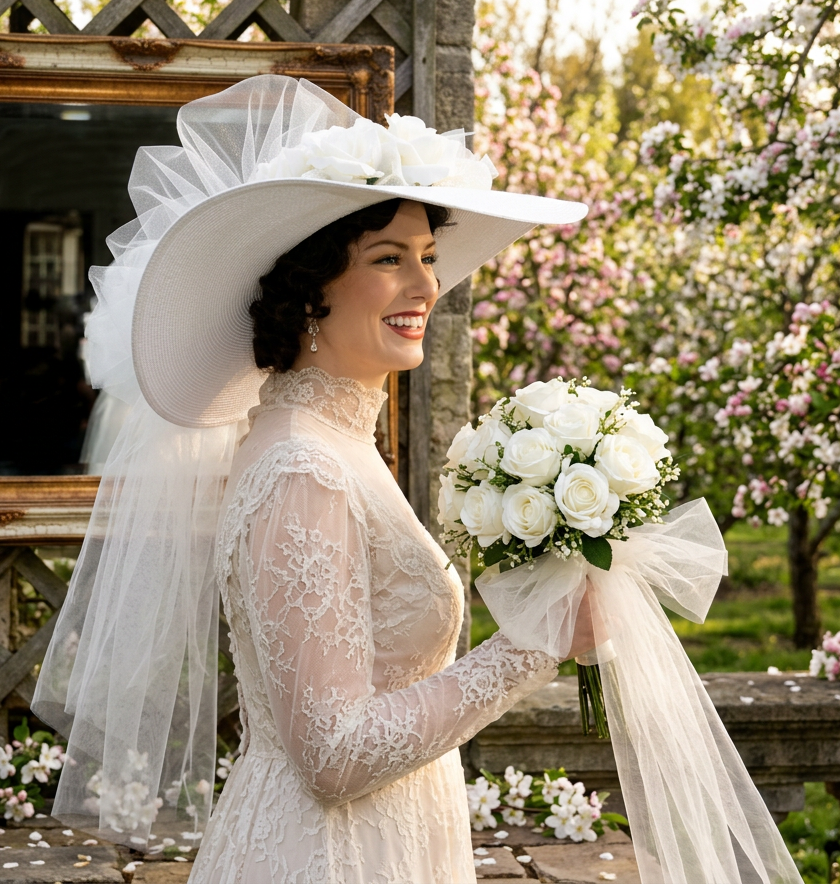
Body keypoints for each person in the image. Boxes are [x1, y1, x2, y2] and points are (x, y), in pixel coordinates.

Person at [32, 75, 595, 882]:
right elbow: (335, 755)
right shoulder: (304, 466)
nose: (426, 285)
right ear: (310, 291)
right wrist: (532, 647)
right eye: (388, 258)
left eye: (429, 258)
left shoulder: (331, 440)